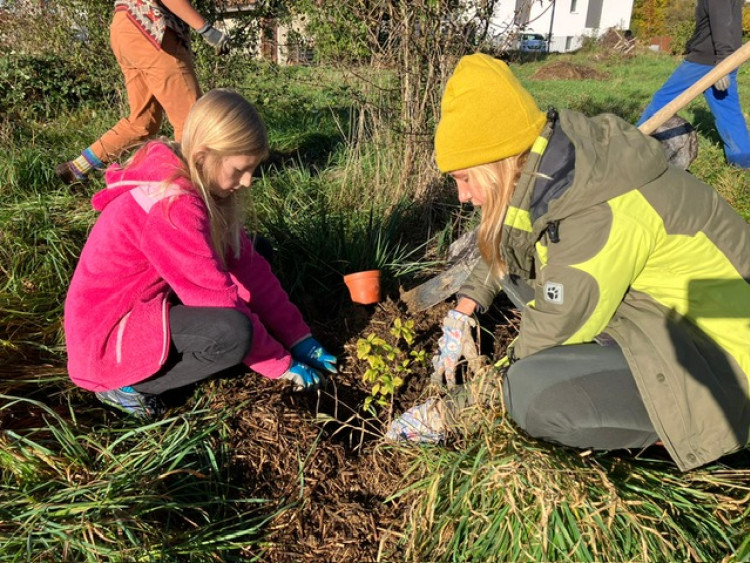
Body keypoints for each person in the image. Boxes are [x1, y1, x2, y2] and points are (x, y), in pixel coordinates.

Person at [387, 53, 750, 472]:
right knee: (521, 278)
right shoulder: (558, 162)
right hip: (671, 315)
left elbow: (552, 330)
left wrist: (458, 409)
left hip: (724, 360)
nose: (462, 196)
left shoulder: (598, 212)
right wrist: (464, 310)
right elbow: (508, 238)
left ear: (499, 163)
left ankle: (681, 446)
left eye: (465, 178)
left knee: (532, 393)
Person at [64, 89, 337, 418]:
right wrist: (279, 364)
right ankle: (129, 388)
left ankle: (251, 345)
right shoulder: (173, 207)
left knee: (257, 251)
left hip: (145, 303)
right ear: (204, 156)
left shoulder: (198, 182)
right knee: (232, 333)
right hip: (106, 339)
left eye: (252, 169)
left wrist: (299, 337)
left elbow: (249, 268)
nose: (247, 181)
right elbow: (217, 300)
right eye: (239, 170)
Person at [55, 0, 230, 185]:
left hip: (126, 24)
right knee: (191, 119)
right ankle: (186, 188)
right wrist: (206, 29)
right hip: (152, 29)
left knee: (143, 122)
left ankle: (76, 168)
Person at [637, 0, 750, 168]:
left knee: (664, 99)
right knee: (728, 112)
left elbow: (722, 21)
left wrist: (723, 61)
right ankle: (743, 161)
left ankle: (633, 144)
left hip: (707, 61)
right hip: (725, 58)